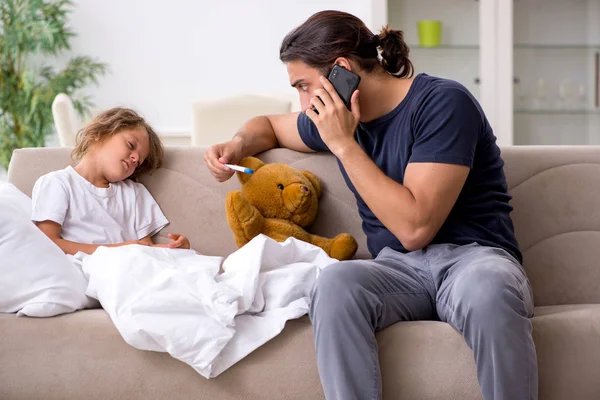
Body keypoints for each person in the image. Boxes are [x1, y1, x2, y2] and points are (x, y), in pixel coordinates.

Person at [204, 10, 536, 400]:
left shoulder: (443, 102)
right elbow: (270, 125)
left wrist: (344, 145)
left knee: (488, 288)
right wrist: (238, 144)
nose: (303, 101)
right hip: (397, 271)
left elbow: (415, 229)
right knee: (333, 283)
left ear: (341, 69)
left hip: (473, 260)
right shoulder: (332, 118)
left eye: (304, 86)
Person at [32, 107, 190, 255]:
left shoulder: (134, 193)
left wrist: (173, 249)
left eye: (139, 162)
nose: (135, 158)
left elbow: (145, 251)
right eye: (130, 145)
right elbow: (48, 243)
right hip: (89, 271)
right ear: (101, 133)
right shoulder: (58, 183)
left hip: (131, 269)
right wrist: (119, 250)